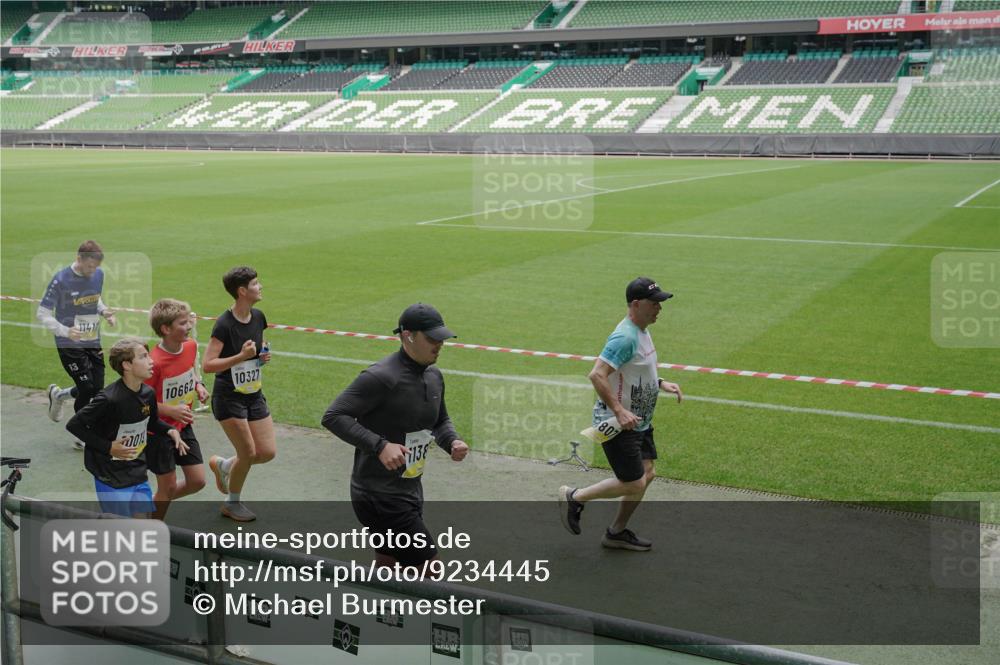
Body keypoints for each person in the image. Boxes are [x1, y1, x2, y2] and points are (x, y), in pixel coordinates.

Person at [322, 303, 469, 571]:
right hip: (378, 496)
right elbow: (333, 416)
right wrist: (380, 446)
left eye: (441, 338)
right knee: (430, 570)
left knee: (388, 564)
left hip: (408, 489)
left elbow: (439, 420)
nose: (439, 344)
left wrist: (452, 441)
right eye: (432, 339)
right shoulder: (380, 377)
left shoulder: (434, 376)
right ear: (408, 336)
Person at [558, 277, 682, 551]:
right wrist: (619, 410)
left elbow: (636, 369)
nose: (659, 308)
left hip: (639, 422)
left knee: (647, 474)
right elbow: (597, 375)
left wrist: (660, 383)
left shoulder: (642, 330)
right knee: (635, 482)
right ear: (636, 304)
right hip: (617, 423)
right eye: (654, 303)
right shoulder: (625, 337)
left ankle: (616, 533)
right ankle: (575, 497)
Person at [66, 337, 186, 518]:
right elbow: (74, 425)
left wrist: (171, 430)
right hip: (111, 476)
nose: (151, 361)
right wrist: (109, 447)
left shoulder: (148, 393)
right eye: (143, 357)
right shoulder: (108, 399)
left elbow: (152, 422)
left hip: (137, 470)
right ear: (127, 365)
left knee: (143, 524)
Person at [203, 266, 274, 522]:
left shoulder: (259, 317)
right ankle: (231, 503)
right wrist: (241, 356)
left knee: (266, 452)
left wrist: (261, 357)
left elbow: (255, 352)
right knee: (248, 453)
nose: (260, 286)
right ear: (242, 291)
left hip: (253, 393)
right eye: (255, 283)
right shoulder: (224, 324)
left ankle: (224, 465)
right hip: (228, 397)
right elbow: (208, 365)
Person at [39, 240, 116, 449]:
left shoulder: (98, 274)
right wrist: (65, 331)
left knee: (97, 387)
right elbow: (42, 313)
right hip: (68, 342)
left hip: (92, 338)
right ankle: (83, 432)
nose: (93, 271)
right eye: (90, 266)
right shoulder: (61, 280)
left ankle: (59, 395)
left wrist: (104, 311)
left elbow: (94, 298)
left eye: (96, 267)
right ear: (79, 259)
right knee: (87, 386)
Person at [145, 298, 209, 519]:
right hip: (158, 432)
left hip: (183, 425)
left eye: (188, 321)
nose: (189, 326)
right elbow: (141, 402)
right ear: (166, 329)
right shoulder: (154, 363)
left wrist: (198, 385)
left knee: (197, 481)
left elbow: (190, 370)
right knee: (168, 487)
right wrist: (170, 411)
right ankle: (152, 526)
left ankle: (150, 506)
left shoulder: (190, 346)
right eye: (182, 323)